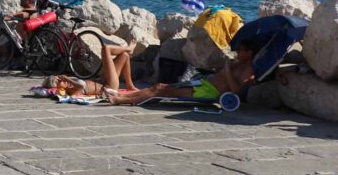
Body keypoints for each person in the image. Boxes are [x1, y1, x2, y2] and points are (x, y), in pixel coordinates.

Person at [106, 40, 260, 106]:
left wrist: (227, 70)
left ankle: (120, 99)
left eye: (241, 51)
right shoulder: (238, 64)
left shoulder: (249, 70)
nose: (237, 53)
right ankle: (122, 97)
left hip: (207, 92)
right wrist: (228, 68)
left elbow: (236, 91)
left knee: (159, 90)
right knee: (159, 86)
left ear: (250, 53)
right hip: (202, 84)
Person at [47, 41, 139, 97]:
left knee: (124, 56)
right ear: (57, 87)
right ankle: (129, 48)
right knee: (106, 48)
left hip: (103, 80)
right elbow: (81, 86)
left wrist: (67, 80)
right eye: (58, 81)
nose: (61, 79)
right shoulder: (70, 91)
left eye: (58, 77)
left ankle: (129, 85)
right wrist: (66, 78)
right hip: (109, 86)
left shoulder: (70, 85)